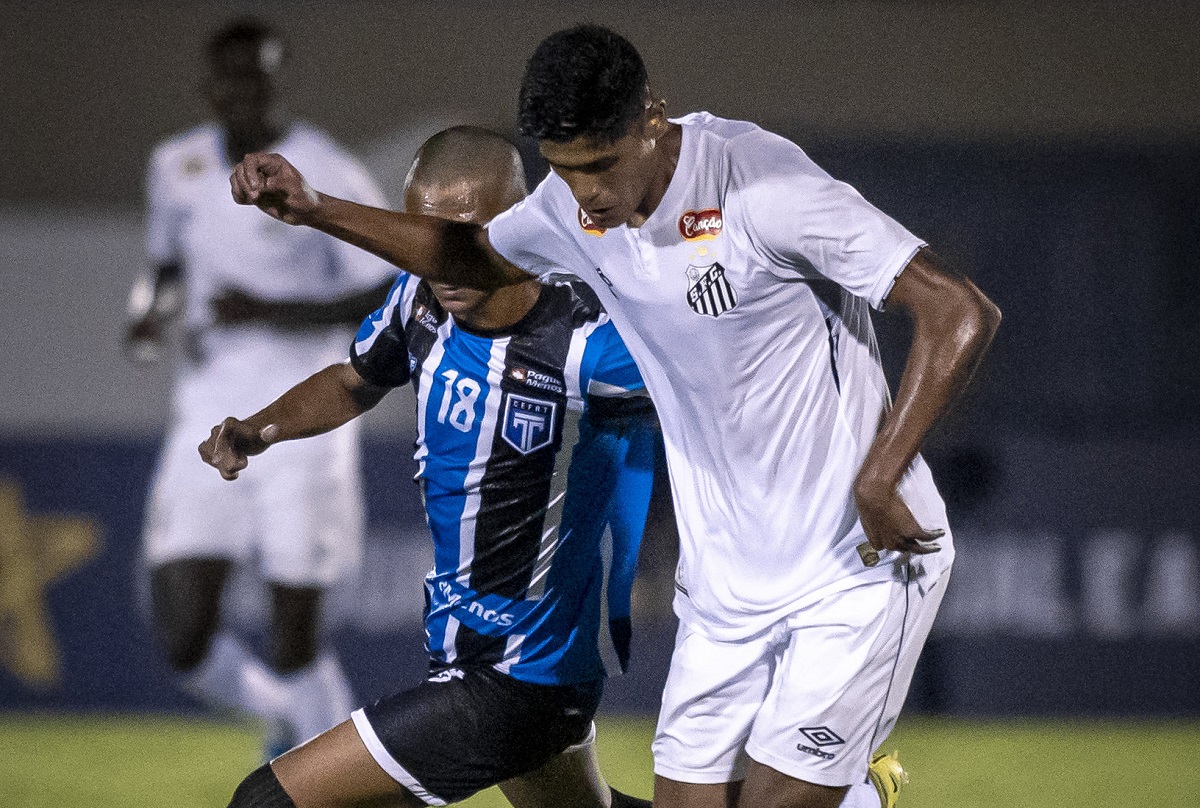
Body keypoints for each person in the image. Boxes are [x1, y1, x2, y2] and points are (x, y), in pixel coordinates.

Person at [228, 23, 1003, 808]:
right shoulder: (568, 209)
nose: (588, 193)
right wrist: (315, 209)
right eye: (566, 171)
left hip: (851, 562)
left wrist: (881, 472)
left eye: (601, 165)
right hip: (726, 585)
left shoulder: (764, 187)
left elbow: (958, 309)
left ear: (652, 119)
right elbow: (463, 256)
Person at [207, 126, 657, 807]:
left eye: (460, 236)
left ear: (517, 223)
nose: (438, 258)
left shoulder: (592, 343)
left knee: (265, 802)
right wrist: (260, 427)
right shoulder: (418, 299)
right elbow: (354, 379)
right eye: (421, 232)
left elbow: (724, 392)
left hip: (520, 679)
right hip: (475, 656)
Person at [126, 17, 395, 758]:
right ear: (210, 86)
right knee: (181, 631)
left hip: (305, 414)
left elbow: (387, 291)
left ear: (279, 83)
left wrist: (271, 309)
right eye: (232, 77)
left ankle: (351, 783)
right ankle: (289, 720)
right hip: (206, 409)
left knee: (294, 635)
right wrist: (148, 315)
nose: (245, 91)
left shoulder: (324, 168)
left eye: (260, 77)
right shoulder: (174, 164)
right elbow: (166, 269)